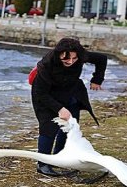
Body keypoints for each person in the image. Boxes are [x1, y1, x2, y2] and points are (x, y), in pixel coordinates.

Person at [31, 37, 107, 176]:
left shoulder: (80, 55)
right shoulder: (46, 65)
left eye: (74, 59)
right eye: (66, 59)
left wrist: (97, 79)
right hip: (46, 95)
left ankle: (61, 158)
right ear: (59, 54)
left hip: (70, 91)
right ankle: (43, 164)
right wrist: (60, 109)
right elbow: (40, 93)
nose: (70, 62)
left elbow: (101, 59)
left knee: (70, 126)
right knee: (48, 127)